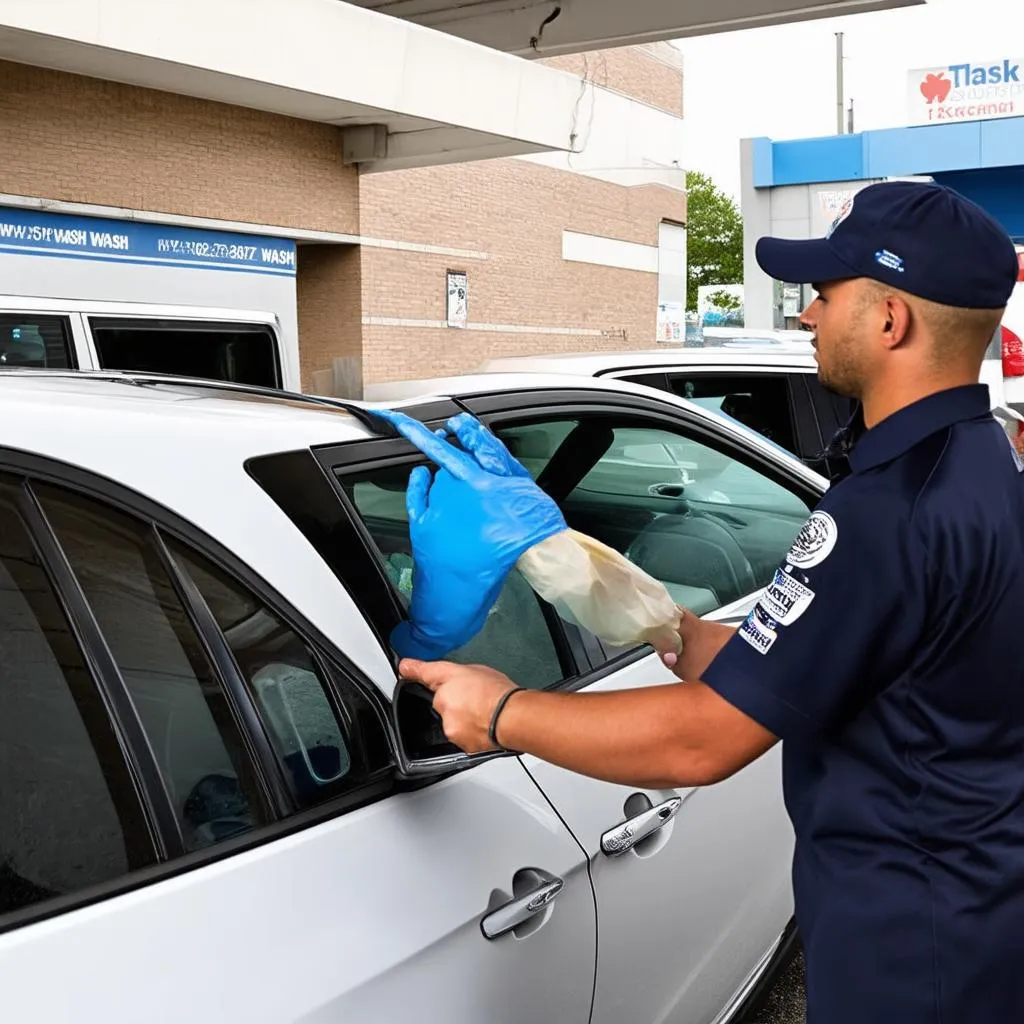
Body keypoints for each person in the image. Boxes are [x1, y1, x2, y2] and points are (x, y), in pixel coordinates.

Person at [393, 180, 1024, 1023]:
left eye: (823, 294)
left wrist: (503, 712)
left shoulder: (886, 513)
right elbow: (824, 668)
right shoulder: (978, 464)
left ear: (889, 320)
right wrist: (656, 618)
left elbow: (705, 742)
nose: (806, 317)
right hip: (974, 914)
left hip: (914, 951)